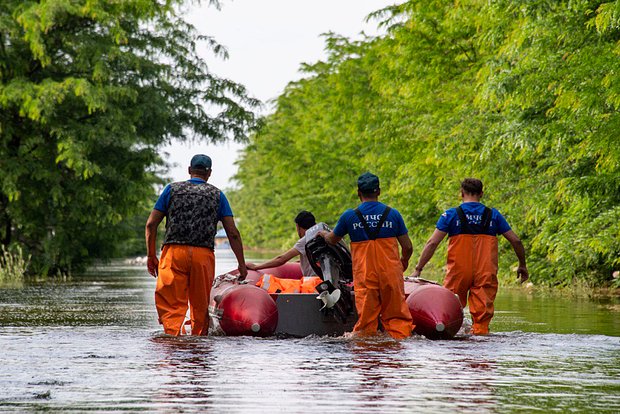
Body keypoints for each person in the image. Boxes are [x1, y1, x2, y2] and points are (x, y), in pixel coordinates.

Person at [145, 154, 247, 336]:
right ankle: (197, 349)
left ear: (189, 170)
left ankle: (172, 343)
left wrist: (151, 255)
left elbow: (151, 224)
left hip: (174, 252)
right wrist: (241, 264)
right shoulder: (218, 195)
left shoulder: (171, 190)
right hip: (203, 254)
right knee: (200, 306)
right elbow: (232, 233)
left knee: (171, 305)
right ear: (209, 173)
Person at [411, 178, 528, 335]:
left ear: (461, 193)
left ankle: (451, 342)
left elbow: (432, 243)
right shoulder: (493, 215)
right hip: (485, 272)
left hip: (457, 273)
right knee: (481, 320)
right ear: (481, 194)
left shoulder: (451, 215)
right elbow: (516, 240)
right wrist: (522, 264)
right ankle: (480, 345)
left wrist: (418, 268)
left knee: (448, 312)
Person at [319, 172, 414, 339]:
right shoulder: (393, 214)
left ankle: (367, 356)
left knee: (366, 325)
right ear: (379, 192)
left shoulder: (349, 216)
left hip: (365, 275)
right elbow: (407, 246)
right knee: (397, 319)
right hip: (390, 273)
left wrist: (323, 235)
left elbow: (332, 240)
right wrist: (403, 262)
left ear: (358, 192)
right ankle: (397, 355)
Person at [247, 210, 318, 277]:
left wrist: (256, 267)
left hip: (313, 282)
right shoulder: (323, 233)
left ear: (298, 227)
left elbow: (281, 259)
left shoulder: (305, 240)